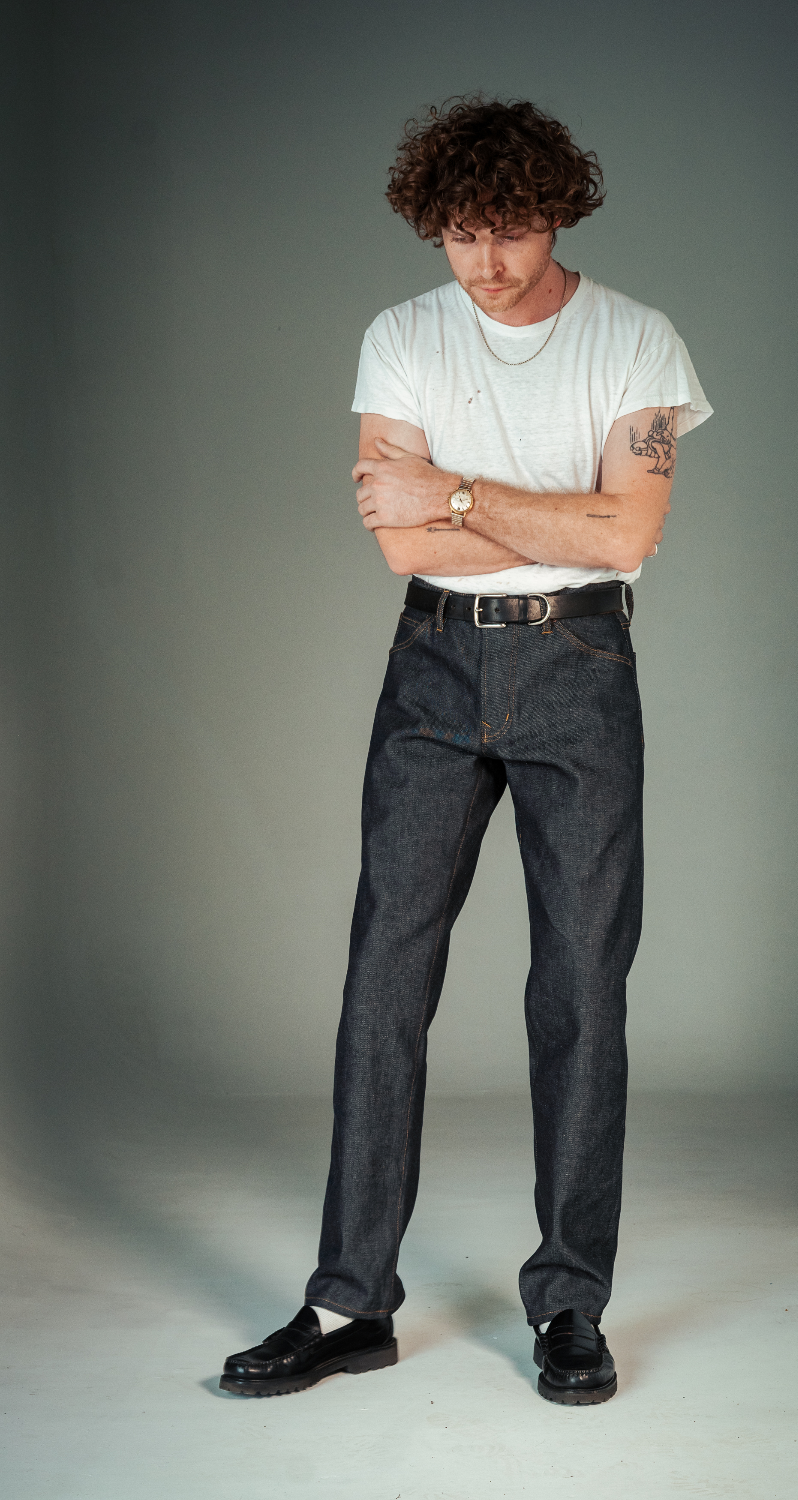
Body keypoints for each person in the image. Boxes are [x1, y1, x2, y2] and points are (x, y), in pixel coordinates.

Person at [222, 95, 712, 1406]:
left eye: (512, 228)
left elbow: (628, 539)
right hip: (432, 663)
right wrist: (539, 515)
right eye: (461, 233)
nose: (488, 260)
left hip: (580, 666)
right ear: (432, 225)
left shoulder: (635, 341)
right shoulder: (402, 339)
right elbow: (398, 545)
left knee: (581, 994)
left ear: (559, 209)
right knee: (383, 980)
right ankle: (348, 1304)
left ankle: (569, 1308)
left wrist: (453, 492)